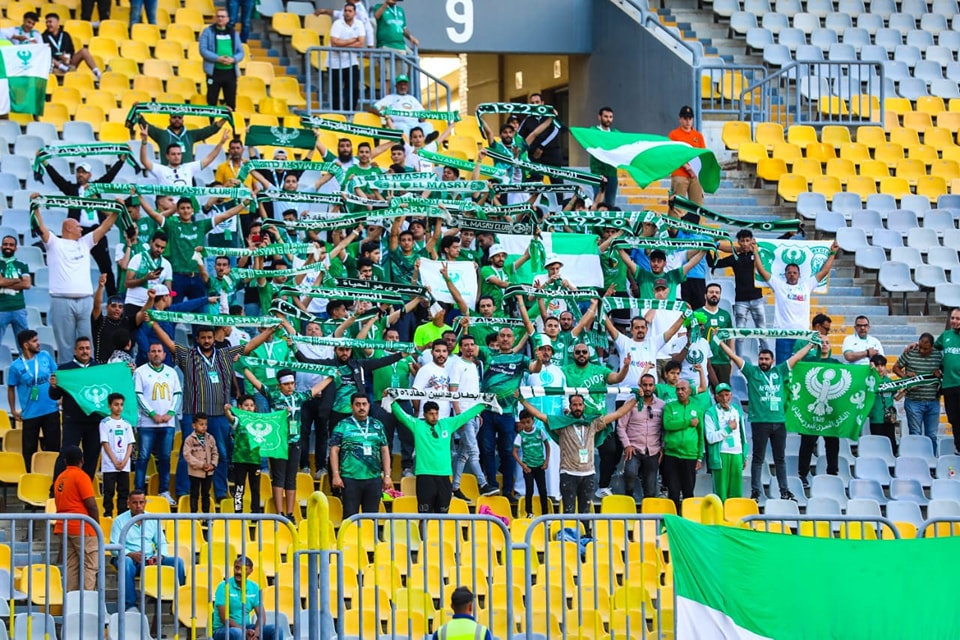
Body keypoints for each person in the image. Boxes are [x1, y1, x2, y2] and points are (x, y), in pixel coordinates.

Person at [148, 321, 275, 501]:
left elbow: (249, 346)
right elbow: (169, 342)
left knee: (221, 454)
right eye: (203, 338)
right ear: (197, 339)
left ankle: (220, 493)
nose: (206, 341)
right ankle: (184, 491)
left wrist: (270, 330)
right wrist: (154, 323)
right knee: (187, 453)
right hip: (194, 413)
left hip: (219, 414)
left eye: (209, 337)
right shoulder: (188, 355)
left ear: (214, 338)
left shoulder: (225, 354)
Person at [519, 393, 637, 527]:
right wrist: (522, 400)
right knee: (568, 513)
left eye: (580, 405)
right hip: (568, 473)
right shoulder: (561, 423)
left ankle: (585, 536)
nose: (577, 407)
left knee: (585, 513)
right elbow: (540, 415)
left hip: (588, 474)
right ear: (570, 406)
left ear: (584, 406)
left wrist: (636, 399)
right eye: (574, 405)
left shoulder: (593, 423)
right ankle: (569, 537)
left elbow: (618, 413)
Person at [719, 340, 814, 502]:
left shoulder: (780, 370)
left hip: (779, 422)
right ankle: (756, 492)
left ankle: (784, 491)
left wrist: (811, 344)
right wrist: (720, 342)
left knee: (780, 459)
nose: (763, 361)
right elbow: (734, 356)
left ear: (772, 361)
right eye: (761, 359)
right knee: (758, 459)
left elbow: (797, 357)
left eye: (766, 359)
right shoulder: (752, 372)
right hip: (760, 422)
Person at [32, 195, 119, 359]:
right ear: (68, 228)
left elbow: (104, 228)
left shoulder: (84, 243)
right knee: (65, 346)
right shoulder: (54, 243)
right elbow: (41, 227)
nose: (81, 229)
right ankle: (66, 375)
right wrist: (35, 206)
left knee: (89, 344)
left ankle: (89, 374)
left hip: (85, 301)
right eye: (78, 226)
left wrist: (116, 211)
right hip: (61, 300)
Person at [245, 367, 332, 521]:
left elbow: (316, 389)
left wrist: (331, 377)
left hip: (295, 442)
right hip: (279, 443)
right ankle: (279, 513)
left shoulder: (298, 397)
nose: (290, 387)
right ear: (279, 385)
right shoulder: (273, 395)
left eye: (292, 383)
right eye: (286, 384)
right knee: (279, 478)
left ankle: (290, 513)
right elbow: (257, 383)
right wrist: (244, 367)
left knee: (291, 479)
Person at [40, 155, 128, 297]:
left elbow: (109, 176)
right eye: (78, 172)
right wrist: (45, 163)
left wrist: (121, 161)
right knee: (72, 263)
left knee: (106, 266)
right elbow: (57, 179)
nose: (80, 174)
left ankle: (113, 298)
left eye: (84, 172)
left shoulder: (96, 187)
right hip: (77, 232)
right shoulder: (71, 189)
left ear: (90, 175)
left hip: (96, 231)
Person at [389, 399, 485, 514]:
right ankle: (424, 527)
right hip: (425, 476)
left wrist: (483, 405)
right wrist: (392, 402)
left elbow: (465, 416)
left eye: (436, 413)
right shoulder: (417, 425)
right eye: (431, 414)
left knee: (442, 515)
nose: (434, 417)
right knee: (424, 515)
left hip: (444, 476)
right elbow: (402, 416)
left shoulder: (447, 424)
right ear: (424, 414)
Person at [479, 327, 542, 499]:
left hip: (507, 413)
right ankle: (491, 486)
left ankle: (508, 490)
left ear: (514, 339)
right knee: (487, 450)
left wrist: (539, 360)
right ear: (498, 338)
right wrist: (463, 326)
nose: (505, 339)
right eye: (502, 335)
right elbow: (466, 347)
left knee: (508, 452)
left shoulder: (520, 358)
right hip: (486, 411)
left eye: (509, 336)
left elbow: (535, 369)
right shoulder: (488, 353)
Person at [753, 240, 839, 364]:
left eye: (794, 273)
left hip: (802, 335)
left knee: (802, 367)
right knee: (783, 367)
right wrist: (755, 251)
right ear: (785, 275)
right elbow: (761, 270)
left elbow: (824, 271)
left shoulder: (807, 285)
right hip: (784, 334)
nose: (792, 275)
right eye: (789, 273)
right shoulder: (779, 285)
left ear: (799, 275)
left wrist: (833, 253)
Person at [110, 491, 186, 611]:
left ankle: (181, 602)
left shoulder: (152, 519)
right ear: (128, 503)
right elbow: (114, 546)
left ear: (145, 503)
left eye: (141, 502)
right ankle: (130, 605)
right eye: (135, 503)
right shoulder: (119, 520)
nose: (138, 506)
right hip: (129, 559)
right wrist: (131, 554)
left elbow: (161, 542)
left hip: (149, 558)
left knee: (178, 562)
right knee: (126, 562)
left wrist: (159, 556)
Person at [329, 394, 392, 518]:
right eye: (357, 404)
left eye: (364, 404)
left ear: (369, 406)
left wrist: (387, 476)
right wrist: (336, 475)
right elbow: (334, 451)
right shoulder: (342, 425)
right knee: (350, 517)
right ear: (351, 406)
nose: (361, 407)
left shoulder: (377, 425)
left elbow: (385, 451)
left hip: (373, 478)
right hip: (350, 478)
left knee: (372, 517)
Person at [133, 342, 181, 504]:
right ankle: (139, 493)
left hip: (167, 424)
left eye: (159, 351)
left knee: (165, 458)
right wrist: (152, 414)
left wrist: (170, 413)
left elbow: (177, 394)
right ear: (148, 354)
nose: (156, 354)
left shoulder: (171, 372)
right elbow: (138, 395)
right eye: (153, 351)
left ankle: (164, 491)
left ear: (164, 355)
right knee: (143, 457)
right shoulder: (140, 372)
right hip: (146, 424)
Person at [49, 337, 101, 479]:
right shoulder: (65, 369)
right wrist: (54, 386)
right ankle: (57, 487)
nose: (85, 351)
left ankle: (85, 487)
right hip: (73, 421)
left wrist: (128, 370)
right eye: (81, 348)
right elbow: (54, 396)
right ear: (75, 351)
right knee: (66, 454)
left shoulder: (99, 369)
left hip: (94, 420)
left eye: (87, 348)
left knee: (92, 456)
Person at [7, 330, 59, 472]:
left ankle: (52, 476)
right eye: (34, 341)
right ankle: (31, 476)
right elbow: (11, 388)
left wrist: (60, 397)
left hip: (51, 410)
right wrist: (13, 410)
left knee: (53, 448)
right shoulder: (15, 366)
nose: (38, 343)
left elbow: (57, 376)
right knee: (29, 451)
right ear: (25, 345)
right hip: (30, 414)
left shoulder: (45, 356)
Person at [710, 229, 768, 357]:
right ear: (738, 242)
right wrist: (711, 247)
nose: (745, 243)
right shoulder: (735, 257)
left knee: (762, 333)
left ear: (752, 241)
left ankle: (768, 358)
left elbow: (772, 246)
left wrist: (787, 235)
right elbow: (713, 263)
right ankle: (739, 361)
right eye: (742, 241)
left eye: (747, 240)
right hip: (741, 301)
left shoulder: (758, 254)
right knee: (739, 334)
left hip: (757, 299)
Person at [53, 445, 99, 592]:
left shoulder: (60, 478)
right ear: (82, 460)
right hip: (82, 527)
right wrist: (96, 525)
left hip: (63, 527)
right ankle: (87, 601)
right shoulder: (81, 476)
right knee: (90, 566)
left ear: (65, 461)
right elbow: (91, 504)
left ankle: (71, 601)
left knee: (71, 566)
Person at [661, 379, 707, 511]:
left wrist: (699, 457)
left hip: (690, 455)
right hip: (671, 455)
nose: (680, 392)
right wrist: (687, 422)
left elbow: (700, 433)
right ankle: (674, 519)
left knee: (688, 491)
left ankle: (688, 519)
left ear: (690, 391)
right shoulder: (670, 407)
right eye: (678, 389)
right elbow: (667, 425)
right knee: (673, 491)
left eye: (683, 389)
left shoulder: (698, 409)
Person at [894, 332, 944, 453]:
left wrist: (940, 374)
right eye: (920, 347)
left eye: (925, 349)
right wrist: (905, 376)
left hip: (933, 401)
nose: (921, 350)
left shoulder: (939, 355)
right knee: (915, 433)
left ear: (932, 347)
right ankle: (916, 458)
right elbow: (895, 367)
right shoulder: (910, 352)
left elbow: (946, 371)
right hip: (913, 401)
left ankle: (931, 459)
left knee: (931, 435)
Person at [618, 373, 664, 501]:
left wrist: (662, 447)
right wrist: (627, 445)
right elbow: (621, 427)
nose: (647, 388)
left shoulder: (662, 405)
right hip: (634, 448)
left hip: (653, 449)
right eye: (645, 385)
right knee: (630, 473)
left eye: (650, 385)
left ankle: (647, 511)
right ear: (640, 386)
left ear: (654, 387)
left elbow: (664, 429)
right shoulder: (630, 403)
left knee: (650, 490)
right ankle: (629, 498)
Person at [212, 556, 276, 640]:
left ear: (250, 571)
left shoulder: (254, 587)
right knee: (238, 633)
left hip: (246, 627)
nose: (239, 572)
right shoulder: (223, 586)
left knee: (275, 629)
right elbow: (224, 618)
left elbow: (261, 615)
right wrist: (245, 632)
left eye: (243, 569)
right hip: (223, 629)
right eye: (237, 568)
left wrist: (256, 633)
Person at [704, 383, 747, 502]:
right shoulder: (710, 413)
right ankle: (720, 513)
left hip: (737, 454)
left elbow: (743, 435)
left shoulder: (737, 410)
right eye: (721, 395)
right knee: (720, 492)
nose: (724, 398)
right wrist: (728, 429)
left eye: (727, 395)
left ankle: (734, 513)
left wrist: (744, 455)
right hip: (720, 455)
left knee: (736, 492)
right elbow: (710, 438)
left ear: (731, 395)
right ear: (716, 397)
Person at [140, 109, 228, 165]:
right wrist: (138, 113)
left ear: (183, 120)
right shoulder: (162, 134)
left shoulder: (190, 135)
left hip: (187, 174)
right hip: (167, 174)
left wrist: (225, 118)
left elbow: (209, 131)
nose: (177, 119)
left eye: (179, 117)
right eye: (174, 117)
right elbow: (147, 127)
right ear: (169, 119)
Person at [99, 393, 135, 518]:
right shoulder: (105, 423)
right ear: (110, 406)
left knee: (123, 491)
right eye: (116, 404)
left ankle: (122, 514)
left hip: (124, 465)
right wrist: (114, 461)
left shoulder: (126, 424)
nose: (119, 407)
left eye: (121, 405)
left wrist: (125, 461)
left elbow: (130, 444)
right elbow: (105, 443)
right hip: (110, 465)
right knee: (109, 491)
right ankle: (108, 514)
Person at [224, 396, 263, 513]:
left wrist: (285, 413)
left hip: (255, 460)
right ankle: (238, 512)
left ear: (255, 407)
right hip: (240, 460)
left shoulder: (260, 421)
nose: (249, 408)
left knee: (255, 488)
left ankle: (255, 513)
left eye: (251, 405)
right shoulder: (238, 421)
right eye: (246, 405)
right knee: (239, 488)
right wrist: (227, 411)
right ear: (240, 407)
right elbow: (230, 418)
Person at [200, 8, 244, 109]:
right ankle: (211, 119)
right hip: (214, 72)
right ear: (215, 18)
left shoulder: (233, 33)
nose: (220, 18)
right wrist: (217, 58)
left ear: (227, 19)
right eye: (218, 16)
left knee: (230, 103)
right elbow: (203, 50)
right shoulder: (208, 32)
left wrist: (233, 59)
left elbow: (241, 52)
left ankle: (229, 119)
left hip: (230, 72)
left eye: (223, 16)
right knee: (212, 101)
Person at [123, 232, 172, 318]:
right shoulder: (137, 258)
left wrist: (166, 305)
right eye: (157, 246)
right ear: (151, 242)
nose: (159, 250)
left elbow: (169, 290)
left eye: (162, 248)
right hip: (134, 303)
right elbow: (127, 283)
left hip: (153, 306)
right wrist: (145, 279)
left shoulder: (166, 264)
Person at [513, 409, 551, 517]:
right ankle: (529, 512)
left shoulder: (539, 432)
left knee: (543, 490)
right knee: (529, 490)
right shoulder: (521, 435)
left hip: (540, 466)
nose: (526, 425)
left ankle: (545, 514)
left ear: (533, 421)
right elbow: (514, 452)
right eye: (523, 423)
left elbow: (547, 445)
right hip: (528, 468)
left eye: (528, 422)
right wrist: (523, 465)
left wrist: (546, 461)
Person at [328, 3, 365, 111]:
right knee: (335, 90)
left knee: (354, 88)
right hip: (335, 63)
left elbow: (361, 43)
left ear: (355, 13)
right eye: (345, 11)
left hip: (351, 62)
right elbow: (334, 43)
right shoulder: (337, 24)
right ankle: (335, 113)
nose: (347, 13)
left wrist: (342, 44)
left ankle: (350, 111)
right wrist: (353, 40)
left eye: (350, 11)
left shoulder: (359, 24)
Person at [91, 275, 136, 364]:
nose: (117, 309)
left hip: (122, 365)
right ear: (107, 307)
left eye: (120, 307)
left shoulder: (126, 322)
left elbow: (142, 314)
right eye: (113, 306)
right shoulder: (100, 321)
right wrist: (100, 286)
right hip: (102, 366)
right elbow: (97, 306)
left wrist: (150, 299)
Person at [668, 106, 706, 208]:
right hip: (680, 173)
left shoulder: (698, 136)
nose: (688, 121)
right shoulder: (674, 135)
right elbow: (673, 154)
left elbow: (703, 155)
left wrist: (696, 171)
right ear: (680, 119)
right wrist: (687, 167)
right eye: (685, 118)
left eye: (690, 118)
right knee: (676, 205)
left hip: (695, 175)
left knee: (697, 206)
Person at [42, 13, 101, 79]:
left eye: (50, 22)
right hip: (54, 63)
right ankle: (63, 68)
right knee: (47, 56)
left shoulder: (65, 35)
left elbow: (71, 50)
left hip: (67, 61)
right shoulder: (43, 36)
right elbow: (45, 52)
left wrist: (67, 57)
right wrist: (59, 55)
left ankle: (98, 73)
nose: (48, 24)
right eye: (46, 22)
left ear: (57, 23)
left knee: (84, 51)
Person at [699, 283, 734, 386]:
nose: (714, 294)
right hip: (704, 361)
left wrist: (731, 359)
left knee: (723, 392)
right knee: (703, 391)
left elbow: (730, 338)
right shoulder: (698, 314)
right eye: (711, 292)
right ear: (705, 295)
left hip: (722, 361)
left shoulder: (725, 315)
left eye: (717, 293)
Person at [182, 413, 218, 513]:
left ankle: (206, 515)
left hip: (208, 472)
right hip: (195, 472)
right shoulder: (189, 439)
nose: (204, 427)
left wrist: (213, 465)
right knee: (194, 493)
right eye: (201, 424)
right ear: (194, 425)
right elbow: (187, 455)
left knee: (206, 494)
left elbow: (215, 453)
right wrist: (201, 465)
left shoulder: (210, 438)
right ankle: (194, 515)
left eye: (206, 424)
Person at [936, 308, 960, 455]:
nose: (954, 321)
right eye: (953, 318)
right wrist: (914, 345)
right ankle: (958, 447)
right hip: (949, 385)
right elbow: (931, 346)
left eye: (958, 319)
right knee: (953, 418)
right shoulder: (946, 335)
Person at [0, 235, 32, 342]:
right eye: (5, 244)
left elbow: (27, 284)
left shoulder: (22, 265)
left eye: (11, 245)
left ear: (15, 248)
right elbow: (0, 282)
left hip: (19, 308)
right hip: (1, 308)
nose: (8, 247)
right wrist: (18, 280)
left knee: (25, 344)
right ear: (1, 247)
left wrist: (5, 282)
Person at [869, 354, 900, 456]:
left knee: (891, 443)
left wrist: (906, 390)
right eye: (877, 366)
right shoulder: (870, 381)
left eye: (882, 365)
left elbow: (896, 397)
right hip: (876, 418)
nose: (880, 368)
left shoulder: (889, 381)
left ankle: (891, 462)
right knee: (878, 445)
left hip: (889, 419)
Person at [589, 106, 618, 207]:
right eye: (606, 116)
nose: (608, 119)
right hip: (598, 173)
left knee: (610, 204)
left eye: (610, 117)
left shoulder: (616, 133)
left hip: (612, 172)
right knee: (598, 202)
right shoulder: (593, 131)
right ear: (599, 117)